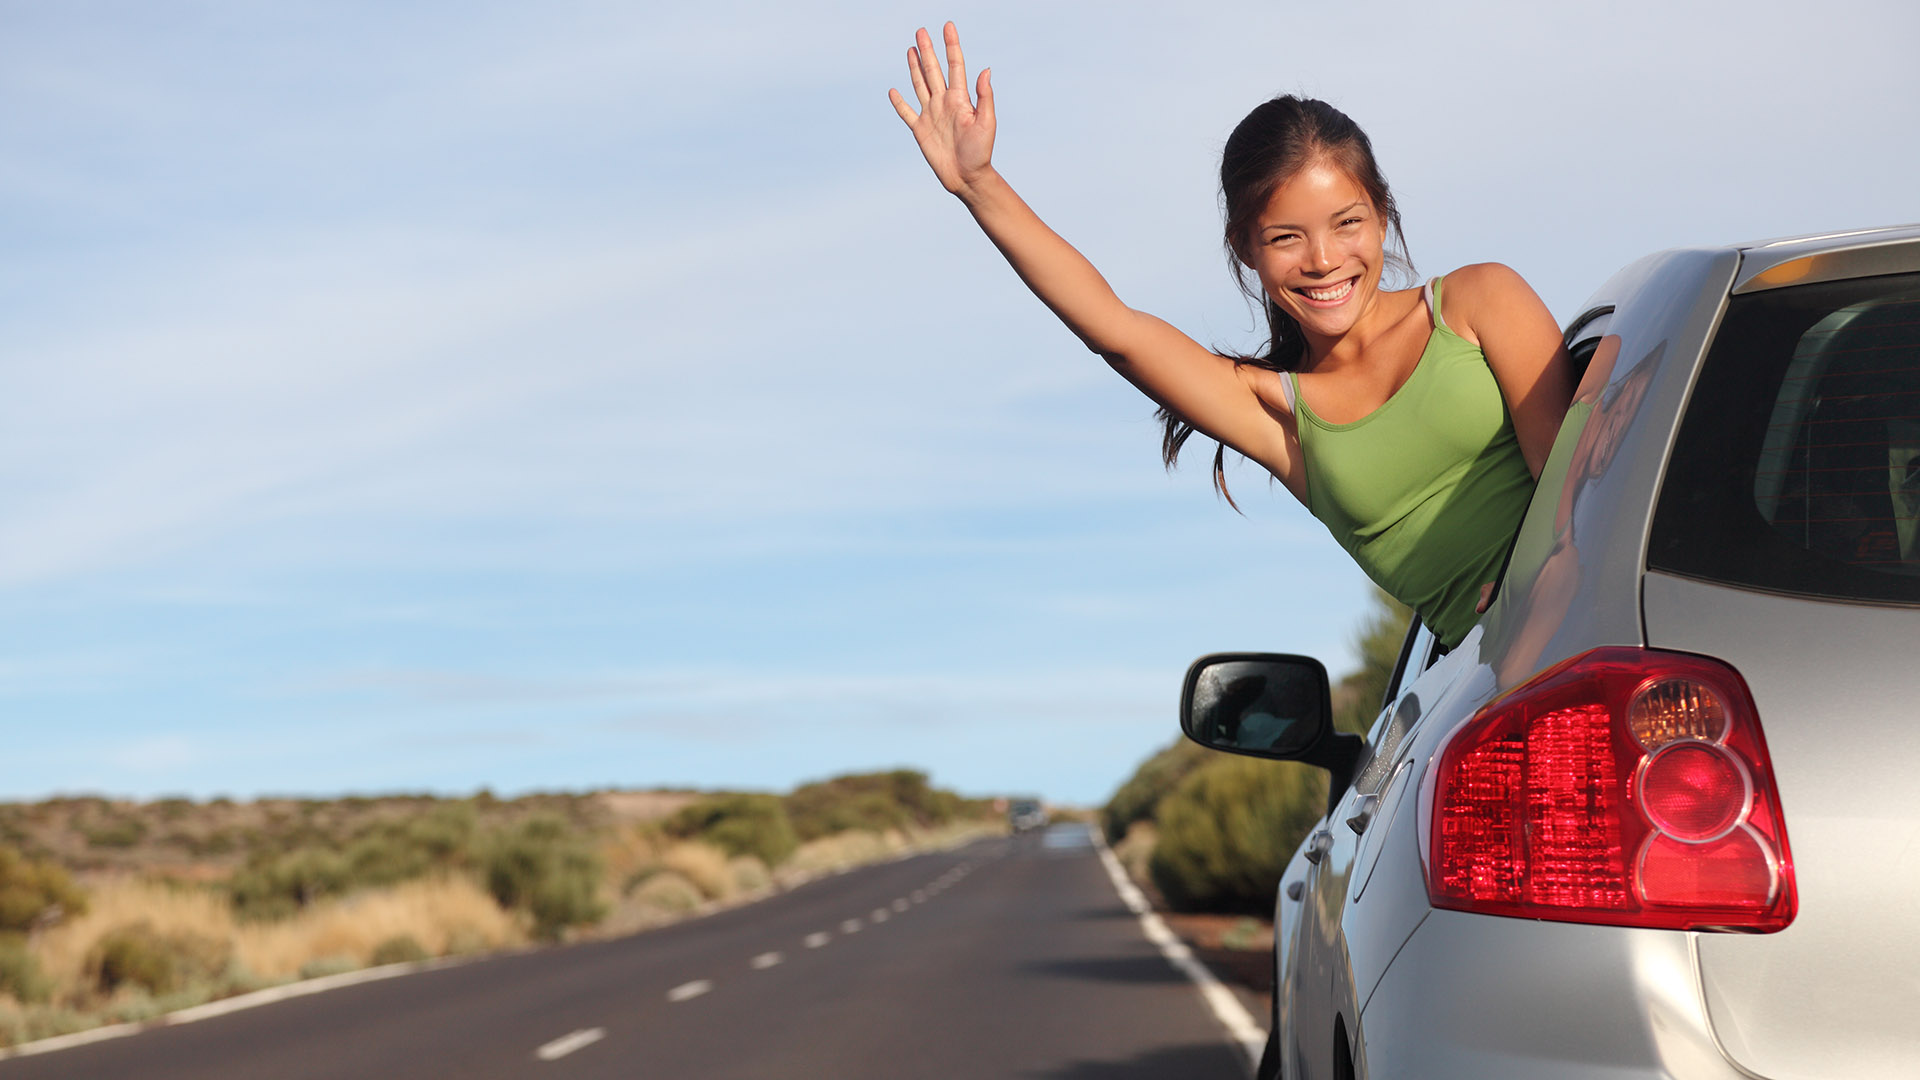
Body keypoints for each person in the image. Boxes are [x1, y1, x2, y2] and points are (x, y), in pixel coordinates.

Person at [888, 24, 1574, 649]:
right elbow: (1115, 330)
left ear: (1383, 214)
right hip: (1498, 681)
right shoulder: (1276, 412)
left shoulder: (1481, 300)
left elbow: (1573, 485)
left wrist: (1537, 584)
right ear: (1246, 248)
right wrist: (979, 186)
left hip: (1586, 621)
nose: (1325, 260)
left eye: (1347, 223)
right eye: (1285, 238)